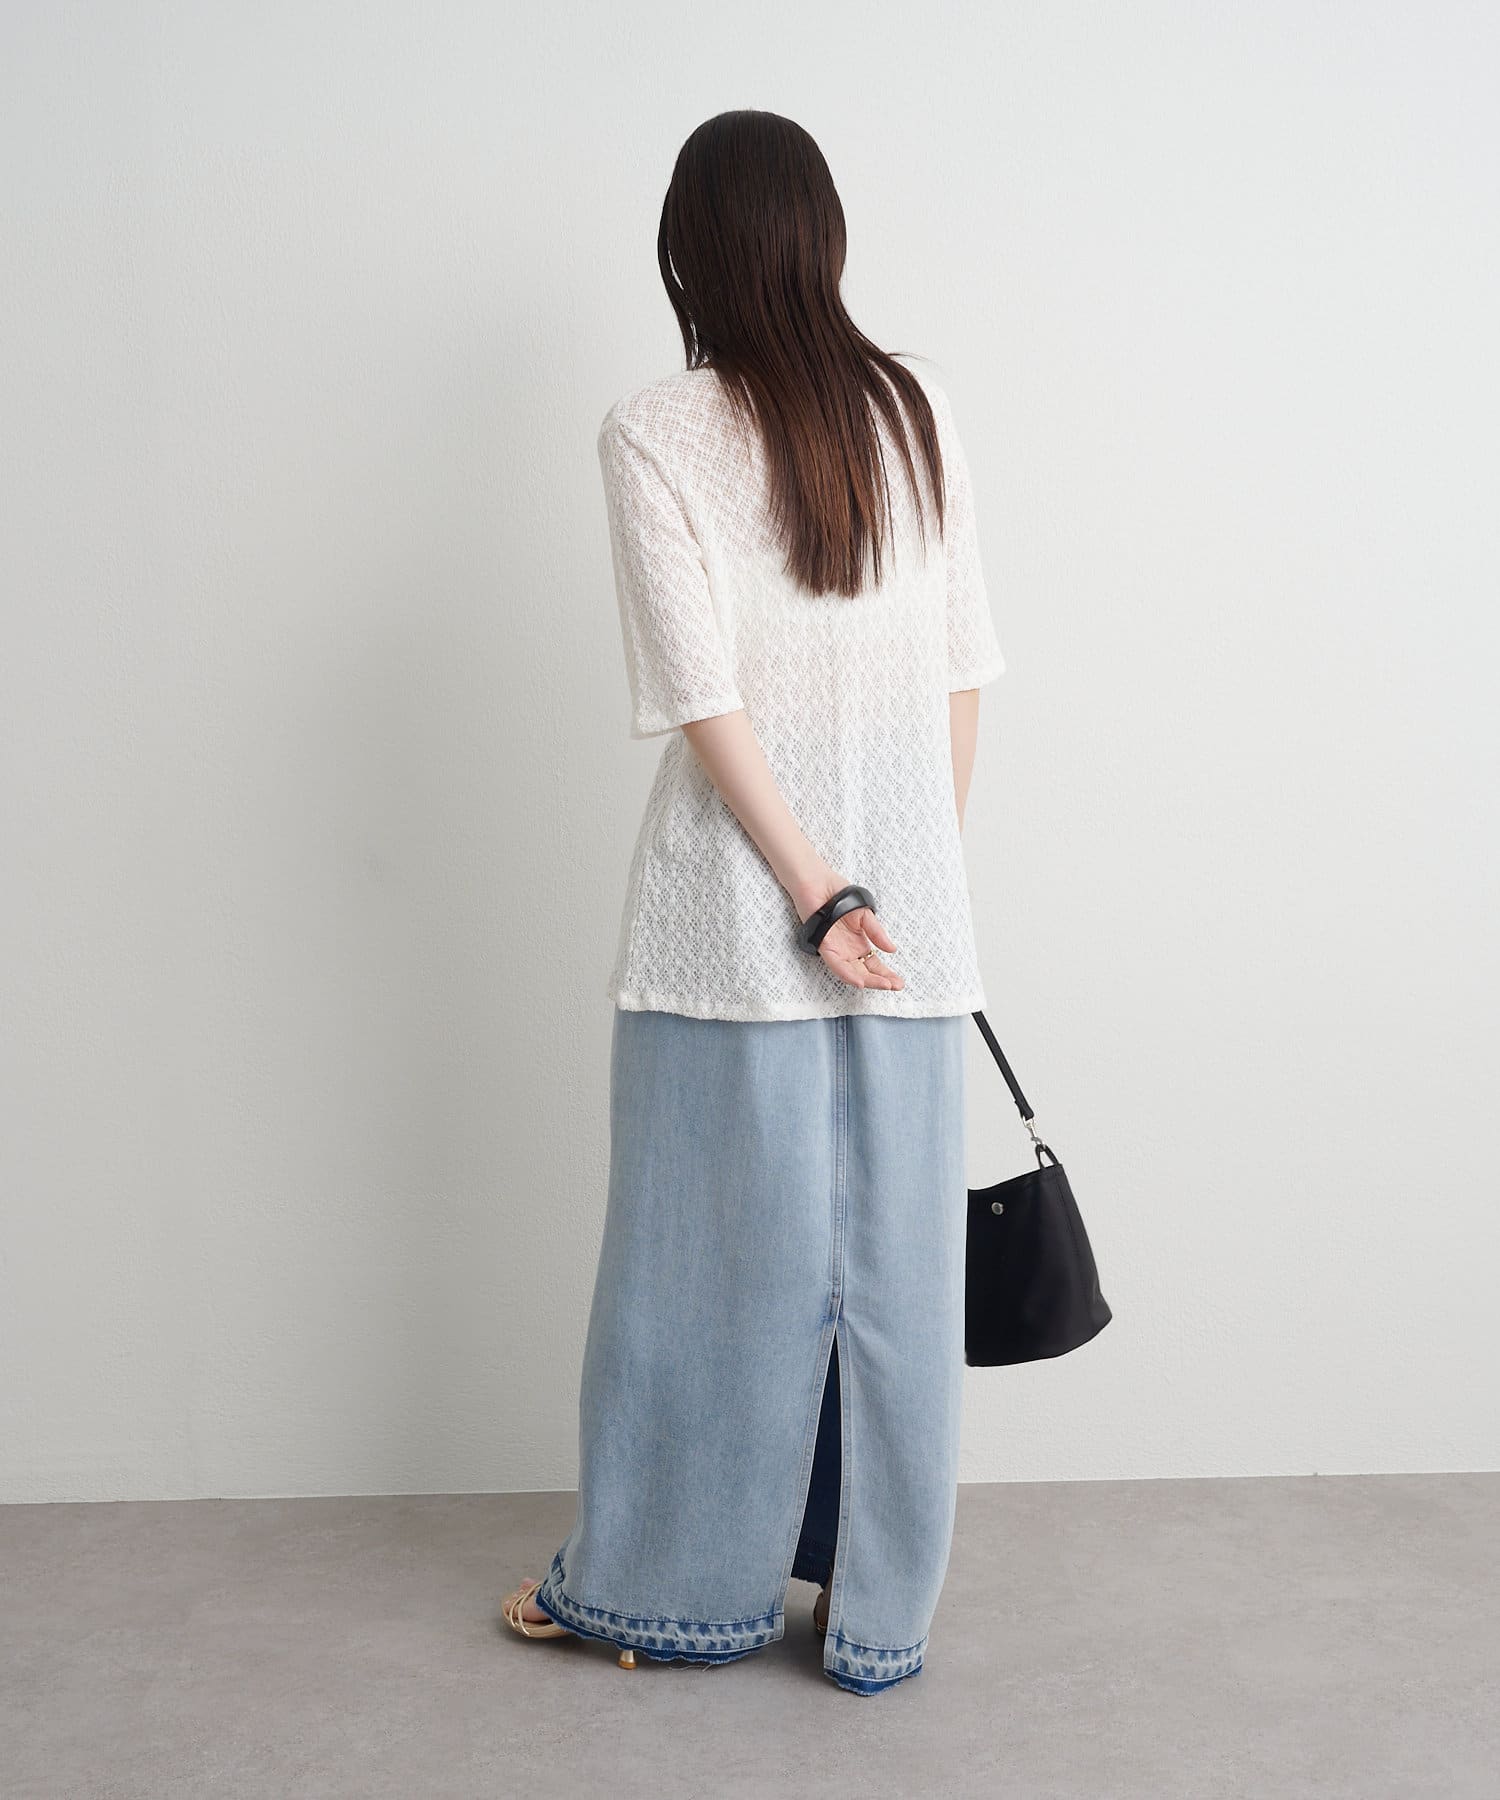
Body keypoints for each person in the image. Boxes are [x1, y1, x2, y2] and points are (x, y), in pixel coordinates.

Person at [502, 108, 1005, 1697]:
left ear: (688, 253)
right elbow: (962, 670)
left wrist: (812, 892)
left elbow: (700, 693)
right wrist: (896, 888)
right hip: (904, 934)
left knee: (696, 1274)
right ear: (824, 239)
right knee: (893, 1280)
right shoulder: (915, 410)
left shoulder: (655, 429)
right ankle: (873, 1616)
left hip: (731, 926)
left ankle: (654, 1595)